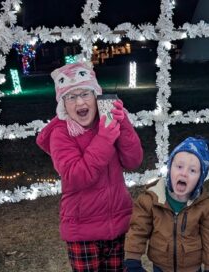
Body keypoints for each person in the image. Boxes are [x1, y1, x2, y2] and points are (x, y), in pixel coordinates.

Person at [36, 59, 143, 272]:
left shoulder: (108, 122)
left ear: (97, 97)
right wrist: (104, 139)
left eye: (85, 94)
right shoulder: (61, 133)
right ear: (63, 104)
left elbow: (133, 161)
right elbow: (76, 176)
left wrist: (123, 124)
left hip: (118, 224)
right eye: (71, 97)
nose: (80, 103)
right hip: (83, 231)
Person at [124, 136, 209, 272]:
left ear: (200, 178)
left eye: (192, 170)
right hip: (161, 266)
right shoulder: (152, 199)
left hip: (192, 268)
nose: (184, 173)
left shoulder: (205, 206)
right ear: (170, 168)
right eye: (179, 166)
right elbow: (138, 230)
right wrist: (132, 260)